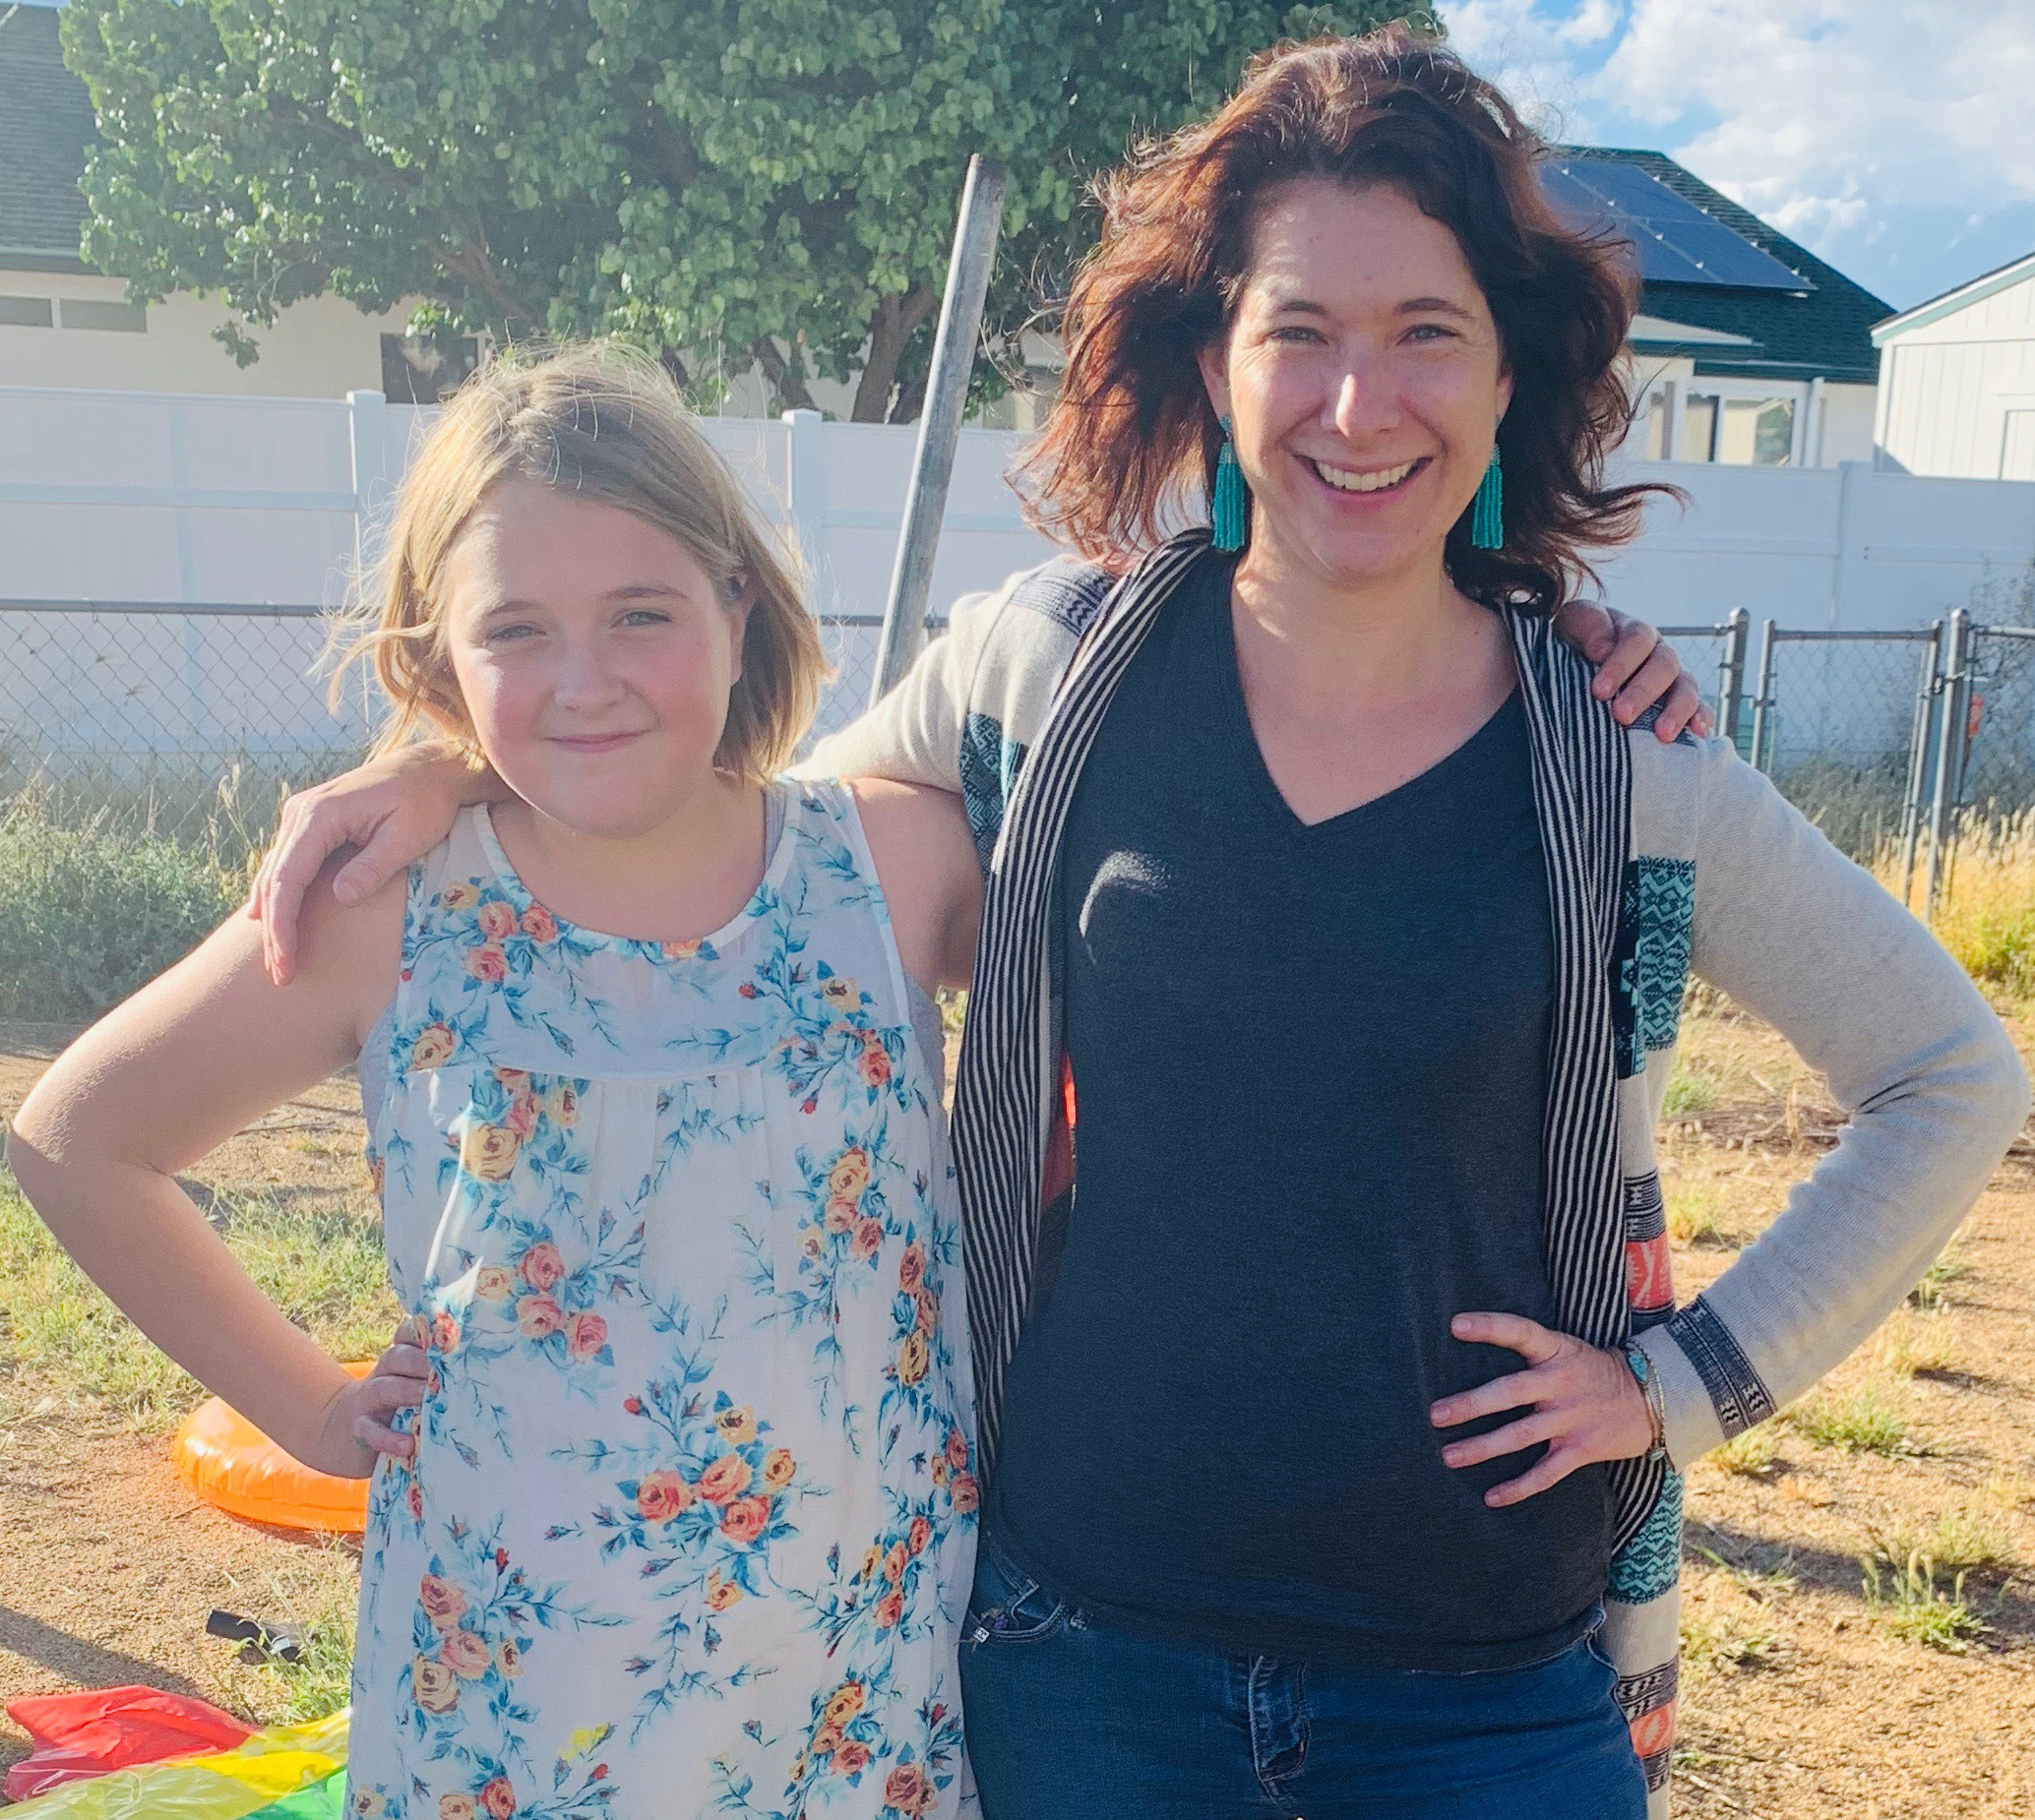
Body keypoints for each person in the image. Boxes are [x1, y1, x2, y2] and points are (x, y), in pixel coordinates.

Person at [237, 30, 2000, 1820]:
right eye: (1301, 331)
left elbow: (1949, 1073)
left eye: (1425, 332)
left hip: (1484, 1696)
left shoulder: (1616, 754)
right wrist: (461, 766)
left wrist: (1678, 1385)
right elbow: (740, 842)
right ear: (1215, 361)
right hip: (1085, 1670)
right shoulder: (1044, 672)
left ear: (1505, 373)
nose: (1358, 402)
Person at [10, 344, 988, 1820]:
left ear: (737, 610)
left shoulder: (898, 865)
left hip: (852, 1688)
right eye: (516, 630)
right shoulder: (388, 908)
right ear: (436, 663)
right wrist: (311, 1412)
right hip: (513, 1702)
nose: (585, 680)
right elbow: (78, 1137)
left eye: (641, 613)